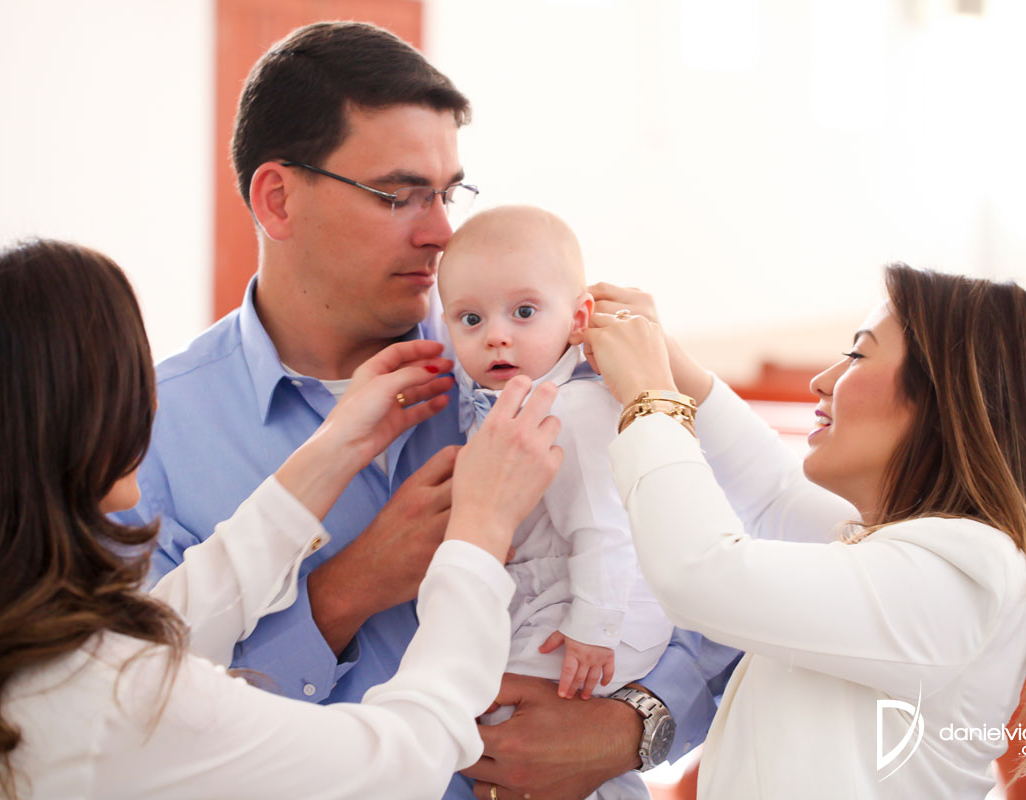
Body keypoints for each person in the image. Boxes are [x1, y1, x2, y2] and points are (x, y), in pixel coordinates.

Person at [117, 21, 732, 800]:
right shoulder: (147, 436)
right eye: (399, 195)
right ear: (277, 199)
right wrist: (346, 591)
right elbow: (136, 725)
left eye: (447, 193)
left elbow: (736, 592)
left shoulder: (560, 360)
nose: (442, 232)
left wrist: (629, 729)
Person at [0, 239, 564, 798]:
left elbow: (171, 621)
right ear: (62, 420)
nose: (148, 403)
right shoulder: (113, 703)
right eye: (124, 378)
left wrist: (334, 447)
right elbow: (402, 760)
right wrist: (478, 535)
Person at [581, 265, 1026, 798]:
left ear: (947, 400)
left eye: (857, 355)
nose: (822, 381)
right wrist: (671, 362)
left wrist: (651, 397)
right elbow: (772, 494)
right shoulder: (913, 550)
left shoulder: (964, 575)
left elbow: (700, 572)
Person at [438, 206, 675, 799]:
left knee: (508, 720)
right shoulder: (511, 403)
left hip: (598, 612)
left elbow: (605, 527)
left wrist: (593, 628)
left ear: (578, 319)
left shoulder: (572, 409)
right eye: (471, 319)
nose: (496, 335)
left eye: (523, 312)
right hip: (556, 597)